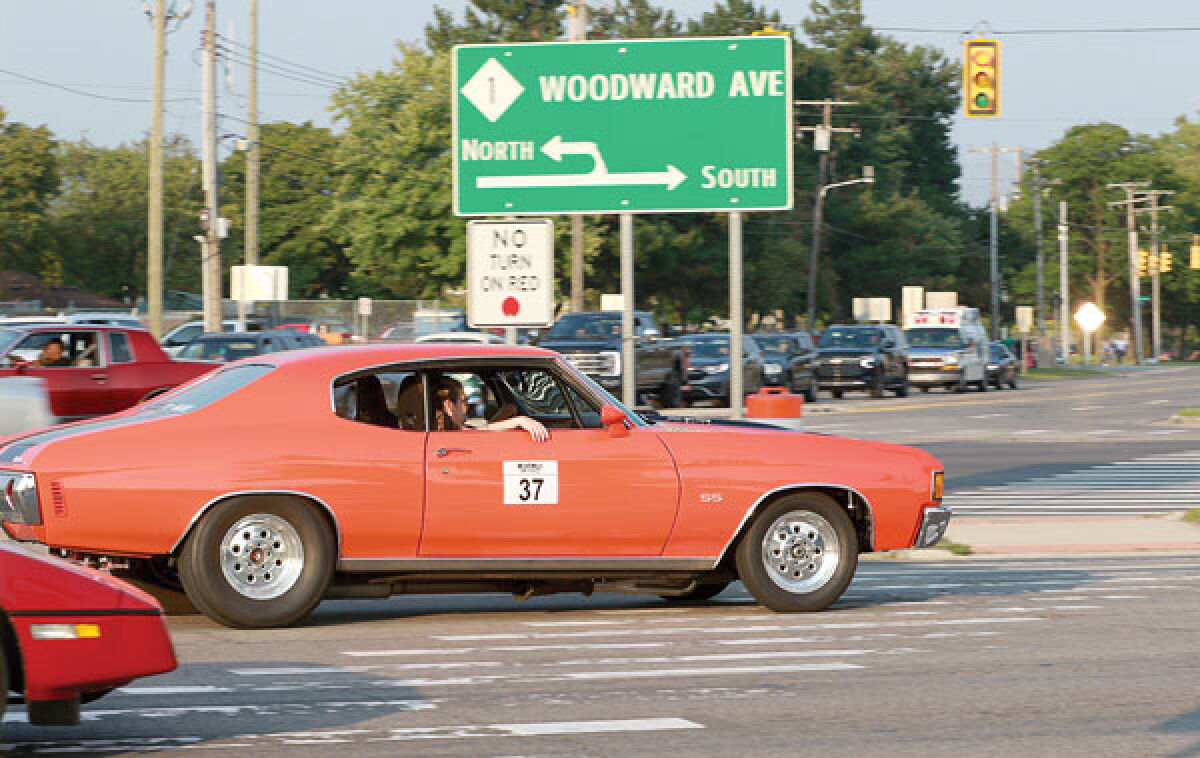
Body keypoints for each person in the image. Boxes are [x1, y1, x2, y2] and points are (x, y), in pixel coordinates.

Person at [432, 375, 549, 442]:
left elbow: (479, 431)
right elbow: (472, 435)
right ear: (449, 406)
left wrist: (502, 416)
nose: (467, 405)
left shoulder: (436, 427)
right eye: (463, 401)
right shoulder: (442, 432)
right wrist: (519, 421)